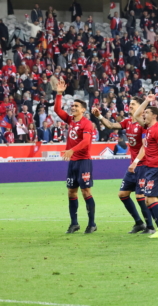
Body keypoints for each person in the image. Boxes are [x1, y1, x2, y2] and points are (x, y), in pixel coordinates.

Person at [92, 97, 154, 234]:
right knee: (123, 194)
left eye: (133, 104)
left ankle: (150, 227)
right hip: (133, 166)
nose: (130, 106)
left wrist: (136, 162)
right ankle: (139, 223)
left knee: (140, 196)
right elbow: (111, 125)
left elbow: (145, 146)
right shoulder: (127, 122)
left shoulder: (143, 124)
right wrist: (100, 116)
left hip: (143, 165)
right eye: (130, 104)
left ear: (141, 108)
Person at [54, 78, 96, 234]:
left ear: (83, 110)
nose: (72, 107)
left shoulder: (87, 124)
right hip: (72, 162)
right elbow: (58, 110)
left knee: (86, 192)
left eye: (76, 106)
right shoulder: (70, 120)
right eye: (72, 106)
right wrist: (59, 94)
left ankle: (92, 224)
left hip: (84, 161)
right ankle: (74, 223)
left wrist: (72, 150)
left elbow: (86, 142)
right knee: (71, 192)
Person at [133, 94, 158, 239]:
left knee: (151, 199)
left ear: (154, 116)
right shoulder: (148, 128)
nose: (144, 114)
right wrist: (147, 101)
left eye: (147, 112)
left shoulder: (157, 130)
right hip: (149, 168)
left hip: (157, 168)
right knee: (148, 199)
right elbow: (137, 114)